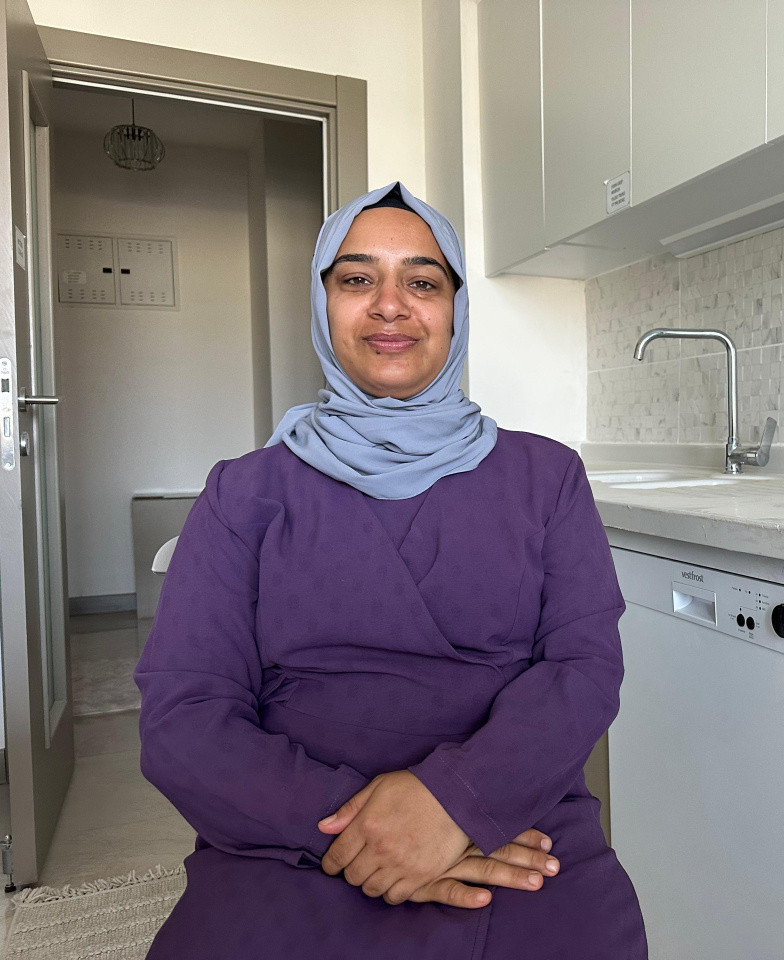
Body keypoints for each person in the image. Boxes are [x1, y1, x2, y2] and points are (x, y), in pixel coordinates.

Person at [134, 181, 649, 959]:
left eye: (422, 282)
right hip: (288, 833)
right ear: (323, 304)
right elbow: (185, 715)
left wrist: (457, 804)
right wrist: (370, 831)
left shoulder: (547, 478)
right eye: (356, 278)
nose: (389, 305)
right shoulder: (243, 493)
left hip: (512, 821)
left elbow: (583, 670)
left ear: (456, 310)